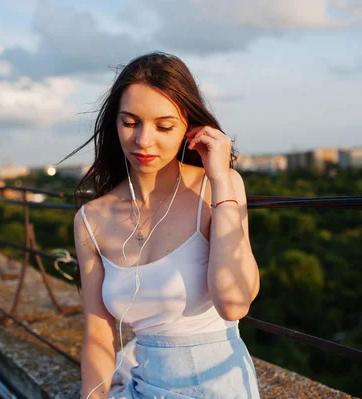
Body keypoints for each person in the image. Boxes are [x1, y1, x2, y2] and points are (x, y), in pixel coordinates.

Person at [70, 52, 261, 398]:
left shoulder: (216, 187)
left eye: (164, 126)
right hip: (143, 389)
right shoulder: (90, 220)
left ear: (189, 125)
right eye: (130, 122)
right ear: (114, 123)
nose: (144, 140)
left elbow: (234, 304)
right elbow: (99, 337)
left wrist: (220, 179)